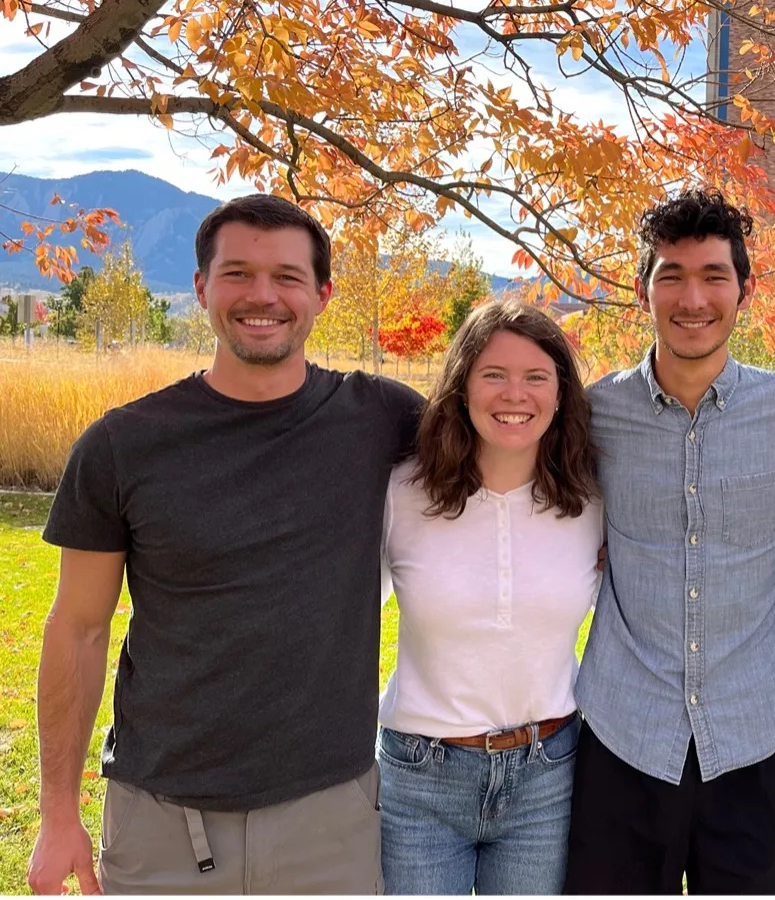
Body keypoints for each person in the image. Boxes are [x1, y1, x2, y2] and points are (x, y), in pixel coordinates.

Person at [27, 194, 425, 895]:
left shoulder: (382, 418)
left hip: (330, 816)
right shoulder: (123, 446)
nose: (262, 296)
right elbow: (79, 629)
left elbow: (515, 455)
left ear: (323, 294)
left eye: (287, 277)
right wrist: (58, 811)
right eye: (237, 273)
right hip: (163, 822)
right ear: (202, 288)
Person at [564, 188, 775, 894]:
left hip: (753, 736)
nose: (692, 297)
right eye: (670, 275)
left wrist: (758, 615)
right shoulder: (595, 412)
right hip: (623, 734)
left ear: (745, 289)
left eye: (712, 275)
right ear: (644, 288)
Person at [377, 298, 602, 894]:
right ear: (462, 385)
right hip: (420, 776)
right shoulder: (401, 494)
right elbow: (342, 617)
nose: (514, 395)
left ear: (560, 393)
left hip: (547, 773)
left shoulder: (592, 504)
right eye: (493, 375)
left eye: (536, 377)